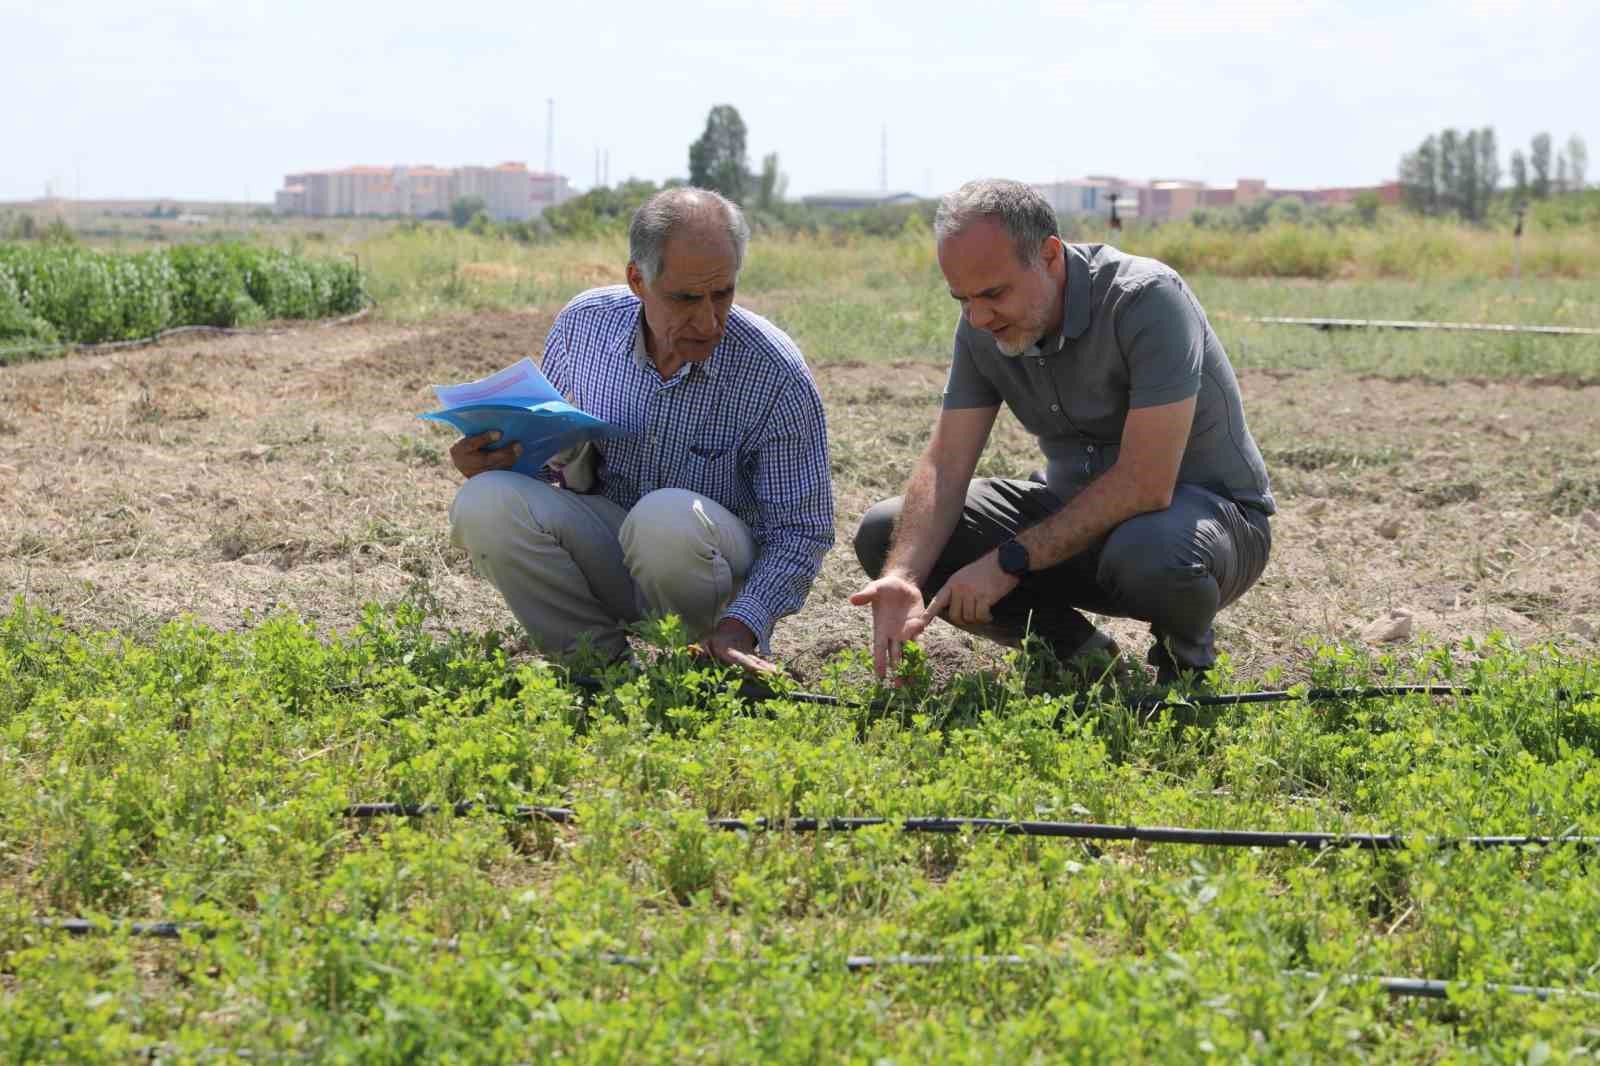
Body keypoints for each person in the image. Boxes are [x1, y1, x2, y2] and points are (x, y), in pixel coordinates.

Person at [851, 178, 1274, 685]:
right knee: (887, 531)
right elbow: (946, 463)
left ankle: (1185, 676)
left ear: (1050, 255)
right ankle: (1080, 659)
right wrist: (902, 575)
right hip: (1079, 523)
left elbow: (1147, 483)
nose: (979, 316)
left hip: (1202, 528)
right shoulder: (982, 327)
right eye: (962, 299)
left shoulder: (1146, 300)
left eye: (993, 293)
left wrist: (1008, 560)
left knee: (1149, 549)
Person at [449, 187, 834, 673]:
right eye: (686, 298)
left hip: (708, 570)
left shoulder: (773, 370)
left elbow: (801, 529)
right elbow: (554, 465)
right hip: (612, 546)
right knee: (486, 501)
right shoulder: (584, 328)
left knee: (664, 518)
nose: (709, 320)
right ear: (638, 279)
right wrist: (496, 462)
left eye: (724, 294)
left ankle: (705, 666)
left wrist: (745, 622)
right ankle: (598, 668)